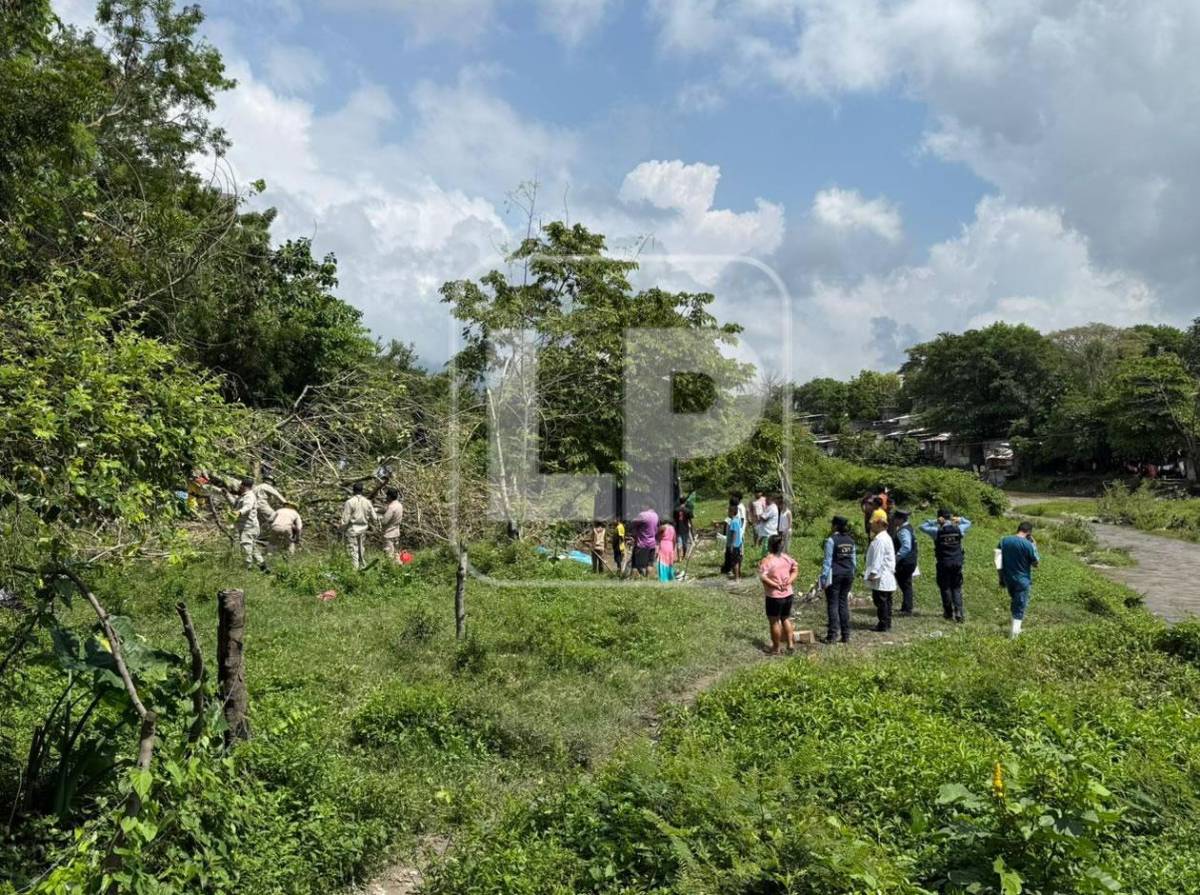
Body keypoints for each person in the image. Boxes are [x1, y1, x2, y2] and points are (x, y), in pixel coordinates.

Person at [920, 508, 973, 622]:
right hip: (957, 562)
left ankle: (948, 613)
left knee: (945, 588)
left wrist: (934, 521)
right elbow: (968, 523)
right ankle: (958, 611)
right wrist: (960, 519)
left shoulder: (936, 531)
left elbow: (922, 526)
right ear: (951, 517)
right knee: (956, 588)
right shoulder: (959, 528)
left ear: (941, 518)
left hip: (943, 562)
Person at [998, 522, 1040, 638]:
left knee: (1015, 603)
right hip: (1022, 580)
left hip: (1008, 578)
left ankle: (1015, 629)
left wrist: (1000, 577)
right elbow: (1036, 563)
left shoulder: (1004, 540)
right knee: (1020, 606)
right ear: (1029, 533)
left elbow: (997, 559)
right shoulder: (1028, 545)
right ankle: (1014, 636)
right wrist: (1034, 546)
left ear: (1018, 529)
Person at [759, 534, 799, 654]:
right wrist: (790, 581)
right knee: (785, 618)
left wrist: (775, 585)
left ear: (770, 546)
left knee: (774, 621)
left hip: (774, 596)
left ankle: (776, 648)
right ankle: (790, 644)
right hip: (788, 594)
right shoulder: (786, 558)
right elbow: (795, 569)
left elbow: (763, 577)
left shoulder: (767, 560)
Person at [819, 515, 857, 644]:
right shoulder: (850, 540)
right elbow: (853, 560)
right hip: (848, 574)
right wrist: (852, 572)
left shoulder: (831, 540)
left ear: (835, 526)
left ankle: (832, 635)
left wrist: (823, 578)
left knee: (833, 604)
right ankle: (846, 635)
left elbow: (828, 561)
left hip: (835, 575)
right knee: (843, 603)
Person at [864, 513, 897, 632]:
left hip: (881, 575)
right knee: (886, 601)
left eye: (872, 523)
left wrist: (873, 573)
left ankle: (883, 623)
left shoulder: (880, 540)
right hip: (885, 574)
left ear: (878, 523)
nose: (870, 526)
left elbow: (878, 558)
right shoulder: (884, 537)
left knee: (881, 601)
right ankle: (886, 622)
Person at [228, 477, 267, 571]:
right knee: (252, 548)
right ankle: (263, 567)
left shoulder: (249, 496)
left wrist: (239, 512)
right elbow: (235, 504)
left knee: (246, 547)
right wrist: (227, 495)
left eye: (240, 485)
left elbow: (248, 507)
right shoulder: (243, 496)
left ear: (243, 485)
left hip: (249, 527)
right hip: (245, 527)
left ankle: (247, 568)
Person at [340, 482, 378, 570]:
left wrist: (341, 529)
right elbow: (375, 517)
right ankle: (363, 568)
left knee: (353, 552)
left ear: (353, 491)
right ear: (362, 491)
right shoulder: (367, 502)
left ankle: (355, 571)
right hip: (363, 529)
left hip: (352, 529)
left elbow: (345, 520)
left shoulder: (349, 502)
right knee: (361, 550)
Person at [891, 509, 919, 615]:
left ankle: (907, 609)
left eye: (895, 519)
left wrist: (896, 557)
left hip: (905, 562)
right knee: (906, 584)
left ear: (901, 519)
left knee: (905, 584)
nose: (893, 521)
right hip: (910, 561)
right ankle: (906, 607)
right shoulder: (909, 527)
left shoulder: (903, 531)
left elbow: (906, 547)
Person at [631, 503, 659, 578]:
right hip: (652, 544)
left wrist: (635, 531)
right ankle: (648, 580)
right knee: (649, 564)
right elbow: (656, 529)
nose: (641, 506)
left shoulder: (643, 515)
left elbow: (633, 523)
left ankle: (633, 580)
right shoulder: (656, 515)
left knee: (635, 564)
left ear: (647, 505)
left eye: (643, 505)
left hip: (641, 544)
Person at [722, 500, 745, 580]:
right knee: (737, 560)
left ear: (732, 512)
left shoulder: (733, 522)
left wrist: (732, 544)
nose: (728, 513)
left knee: (735, 562)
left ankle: (737, 577)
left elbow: (734, 533)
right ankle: (737, 575)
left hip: (735, 545)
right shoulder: (737, 520)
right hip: (738, 543)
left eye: (728, 511)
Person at [380, 488, 404, 561]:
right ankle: (398, 569)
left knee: (389, 554)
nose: (386, 497)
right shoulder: (400, 505)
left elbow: (384, 521)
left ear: (390, 496)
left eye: (387, 496)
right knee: (396, 554)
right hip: (396, 532)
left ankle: (390, 569)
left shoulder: (391, 507)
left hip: (389, 533)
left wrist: (379, 518)